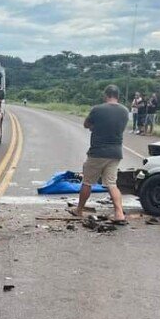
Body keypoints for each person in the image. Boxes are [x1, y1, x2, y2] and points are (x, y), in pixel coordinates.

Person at [71, 84, 129, 223]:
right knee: (111, 183)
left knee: (87, 182)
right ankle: (119, 213)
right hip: (115, 152)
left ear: (106, 95)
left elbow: (86, 124)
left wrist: (94, 127)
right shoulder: (125, 111)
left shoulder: (97, 109)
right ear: (118, 96)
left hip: (97, 152)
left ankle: (79, 210)